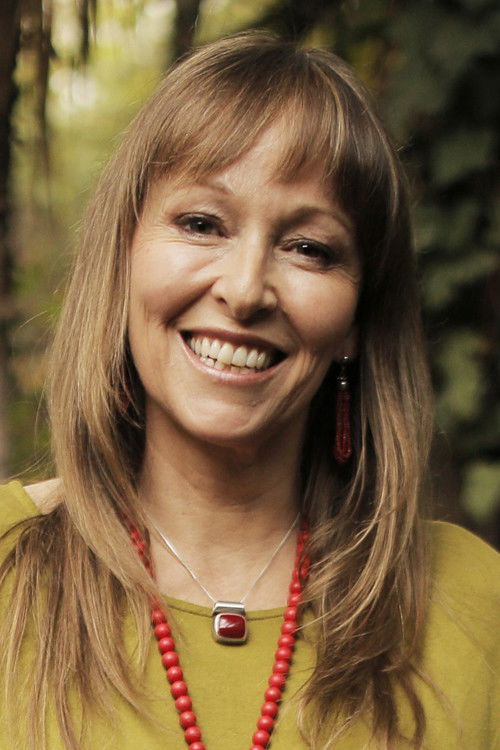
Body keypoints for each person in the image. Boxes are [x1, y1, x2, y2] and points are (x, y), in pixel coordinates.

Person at [0, 32, 498, 750]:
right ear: (123, 259)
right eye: (202, 224)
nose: (244, 290)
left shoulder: (476, 603)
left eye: (309, 249)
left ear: (358, 321)